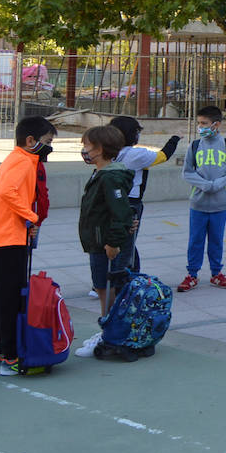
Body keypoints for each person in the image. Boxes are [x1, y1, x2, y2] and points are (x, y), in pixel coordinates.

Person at [0, 116, 54, 376]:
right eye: (46, 142)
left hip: (3, 237)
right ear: (30, 141)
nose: (49, 148)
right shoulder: (24, 162)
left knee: (3, 298)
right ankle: (10, 356)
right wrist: (31, 216)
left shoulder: (16, 159)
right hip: (9, 239)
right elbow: (6, 192)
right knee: (10, 300)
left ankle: (0, 352)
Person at [74, 125, 134, 357]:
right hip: (97, 241)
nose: (84, 150)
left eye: (87, 146)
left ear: (100, 149)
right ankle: (110, 330)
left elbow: (120, 213)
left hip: (104, 243)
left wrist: (113, 242)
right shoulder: (101, 173)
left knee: (106, 286)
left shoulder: (111, 176)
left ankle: (108, 334)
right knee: (100, 285)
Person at [106, 115, 180, 287]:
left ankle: (114, 277)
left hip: (110, 200)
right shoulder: (135, 154)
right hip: (130, 203)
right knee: (127, 244)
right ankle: (122, 281)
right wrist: (175, 138)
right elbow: (162, 156)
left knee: (116, 240)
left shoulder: (108, 152)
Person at [178, 105, 226, 292]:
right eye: (199, 123)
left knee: (216, 240)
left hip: (220, 204)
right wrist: (204, 184)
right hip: (198, 203)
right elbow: (187, 172)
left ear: (216, 124)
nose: (201, 127)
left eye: (204, 123)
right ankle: (192, 274)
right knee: (195, 240)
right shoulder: (195, 145)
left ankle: (216, 273)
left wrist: (219, 183)